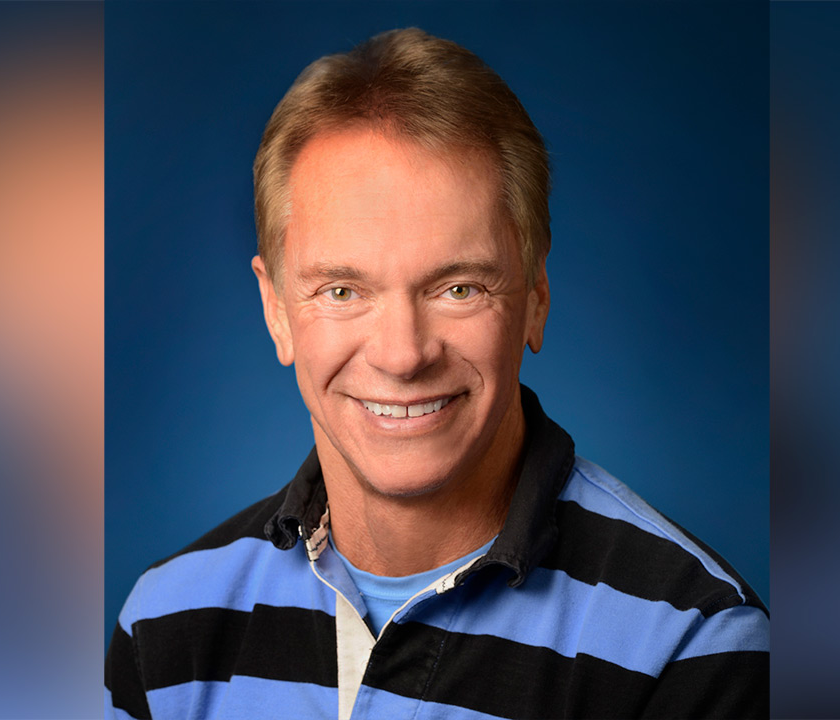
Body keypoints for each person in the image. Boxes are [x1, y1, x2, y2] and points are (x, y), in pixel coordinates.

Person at [105, 27, 768, 720]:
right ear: (275, 309)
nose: (402, 353)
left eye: (458, 288)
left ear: (535, 299)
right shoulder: (165, 626)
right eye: (341, 290)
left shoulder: (690, 644)